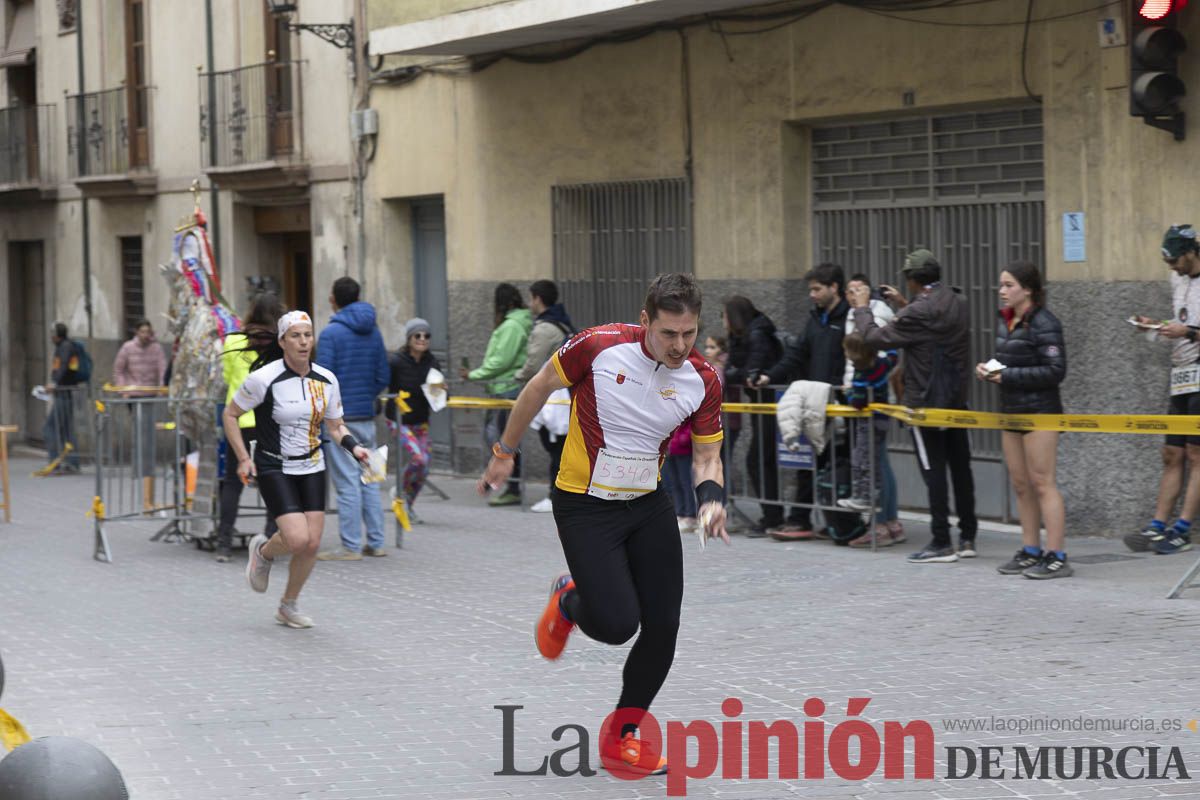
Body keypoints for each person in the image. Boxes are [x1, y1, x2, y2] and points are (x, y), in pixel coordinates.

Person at [478, 273, 726, 776]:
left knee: (664, 627)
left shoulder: (702, 380)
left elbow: (707, 458)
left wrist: (711, 499)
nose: (680, 346)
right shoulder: (597, 346)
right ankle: (570, 599)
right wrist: (505, 451)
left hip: (647, 504)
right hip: (584, 505)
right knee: (616, 626)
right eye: (668, 334)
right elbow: (536, 387)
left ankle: (623, 736)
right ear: (645, 322)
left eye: (689, 333)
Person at [224, 311, 371, 629]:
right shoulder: (264, 379)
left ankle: (287, 606)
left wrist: (355, 448)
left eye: (308, 335)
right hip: (274, 464)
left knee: (312, 543)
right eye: (296, 336)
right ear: (282, 342)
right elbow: (230, 414)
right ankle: (263, 552)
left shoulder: (326, 379)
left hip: (313, 464)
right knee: (296, 538)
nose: (304, 341)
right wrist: (242, 458)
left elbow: (335, 426)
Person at [849, 248, 978, 564]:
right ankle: (968, 536)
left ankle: (940, 540)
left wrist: (864, 307)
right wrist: (904, 306)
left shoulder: (918, 312)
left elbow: (874, 338)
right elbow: (930, 328)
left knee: (932, 469)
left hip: (924, 401)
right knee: (961, 468)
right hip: (956, 399)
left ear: (911, 280)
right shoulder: (956, 301)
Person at [975, 262, 1071, 578]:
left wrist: (1006, 375)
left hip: (1040, 412)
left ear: (1027, 289)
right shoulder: (1007, 321)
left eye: (1008, 285)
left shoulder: (1045, 323)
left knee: (1043, 482)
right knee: (1020, 484)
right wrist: (990, 370)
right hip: (1010, 410)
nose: (1002, 291)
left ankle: (1056, 555)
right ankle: (1030, 550)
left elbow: (1055, 371)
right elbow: (1009, 362)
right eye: (1001, 285)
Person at [757, 263, 851, 541]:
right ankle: (801, 519)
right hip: (817, 403)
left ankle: (839, 521)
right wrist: (769, 376)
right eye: (810, 289)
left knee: (839, 465)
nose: (812, 294)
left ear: (834, 287)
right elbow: (797, 353)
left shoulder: (849, 318)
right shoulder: (816, 318)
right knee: (810, 463)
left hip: (842, 404)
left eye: (817, 289)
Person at [1127, 224, 1200, 555]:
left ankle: (1183, 529)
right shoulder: (1177, 279)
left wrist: (1188, 333)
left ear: (1190, 253)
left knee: (1197, 453)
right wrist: (1153, 327)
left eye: (1175, 261)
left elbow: (1188, 328)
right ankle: (1157, 525)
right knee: (1171, 452)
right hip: (1181, 371)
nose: (1171, 268)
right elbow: (1180, 322)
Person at [314, 277, 389, 561]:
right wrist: (366, 396)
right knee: (370, 478)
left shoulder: (331, 333)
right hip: (368, 415)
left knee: (347, 482)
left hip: (339, 420)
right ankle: (377, 541)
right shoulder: (375, 330)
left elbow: (322, 378)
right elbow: (383, 374)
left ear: (334, 298)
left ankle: (350, 546)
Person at [215, 293, 284, 563]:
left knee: (233, 482)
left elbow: (225, 376)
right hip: (269, 421)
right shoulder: (277, 344)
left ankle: (223, 542)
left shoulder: (233, 341)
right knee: (272, 481)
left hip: (239, 420)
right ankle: (268, 539)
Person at [841, 274, 904, 548]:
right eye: (850, 290)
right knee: (878, 461)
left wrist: (853, 392)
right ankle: (887, 521)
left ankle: (880, 518)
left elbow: (885, 347)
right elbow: (890, 357)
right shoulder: (852, 316)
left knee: (869, 461)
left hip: (874, 409)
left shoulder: (875, 314)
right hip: (875, 407)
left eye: (859, 289)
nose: (854, 294)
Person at [459, 283, 531, 507]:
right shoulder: (519, 322)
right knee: (501, 438)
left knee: (504, 440)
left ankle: (510, 486)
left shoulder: (512, 326)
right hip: (503, 387)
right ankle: (504, 481)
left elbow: (501, 361)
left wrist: (475, 374)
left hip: (505, 388)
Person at [722, 296, 782, 534]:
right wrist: (739, 373)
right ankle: (772, 515)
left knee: (758, 459)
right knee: (760, 459)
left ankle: (773, 516)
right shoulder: (741, 337)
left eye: (725, 315)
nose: (723, 320)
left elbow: (748, 372)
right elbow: (731, 372)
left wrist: (739, 373)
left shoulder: (757, 335)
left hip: (769, 404)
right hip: (758, 404)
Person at [515, 280, 575, 513]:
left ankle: (555, 494)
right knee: (561, 447)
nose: (530, 303)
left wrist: (519, 377)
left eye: (531, 298)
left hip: (551, 397)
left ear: (537, 298)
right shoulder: (562, 321)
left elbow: (533, 366)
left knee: (556, 448)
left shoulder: (543, 328)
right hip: (562, 394)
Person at [386, 317, 444, 523]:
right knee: (418, 458)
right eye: (417, 335)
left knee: (425, 466)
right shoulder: (396, 361)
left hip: (421, 422)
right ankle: (399, 491)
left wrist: (441, 392)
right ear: (409, 338)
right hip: (399, 420)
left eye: (426, 335)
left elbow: (438, 394)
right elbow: (386, 386)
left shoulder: (433, 362)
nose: (422, 339)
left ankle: (407, 505)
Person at [837, 334, 898, 526]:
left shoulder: (861, 374)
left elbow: (857, 402)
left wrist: (848, 393)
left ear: (856, 353)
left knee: (861, 458)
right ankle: (876, 495)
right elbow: (893, 357)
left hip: (868, 422)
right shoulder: (881, 364)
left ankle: (863, 496)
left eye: (846, 349)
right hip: (882, 419)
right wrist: (889, 342)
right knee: (874, 459)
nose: (845, 353)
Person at [113, 319, 168, 513]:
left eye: (148, 331)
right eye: (142, 331)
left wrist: (162, 385)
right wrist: (123, 389)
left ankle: (146, 474)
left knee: (149, 436)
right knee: (140, 433)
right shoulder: (127, 348)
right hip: (134, 396)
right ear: (137, 332)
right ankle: (140, 468)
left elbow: (163, 368)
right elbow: (119, 369)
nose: (145, 334)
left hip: (150, 394)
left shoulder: (156, 349)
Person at [43, 323, 84, 474]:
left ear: (56, 335)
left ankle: (55, 462)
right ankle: (73, 463)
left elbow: (64, 366)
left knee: (50, 428)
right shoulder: (64, 346)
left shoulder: (65, 347)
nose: (51, 337)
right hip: (64, 391)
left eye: (52, 334)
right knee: (66, 429)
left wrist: (55, 383)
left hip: (64, 392)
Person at [704, 335, 740, 499]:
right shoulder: (716, 366)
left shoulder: (721, 367)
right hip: (722, 422)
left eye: (712, 347)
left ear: (722, 350)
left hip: (725, 422)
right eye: (707, 347)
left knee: (719, 463)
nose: (707, 351)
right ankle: (722, 499)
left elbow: (717, 386)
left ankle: (722, 501)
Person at [662, 420, 697, 533]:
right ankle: (680, 513)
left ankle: (690, 515)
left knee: (686, 483)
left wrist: (682, 439)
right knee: (674, 484)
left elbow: (692, 425)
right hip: (670, 449)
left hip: (683, 450)